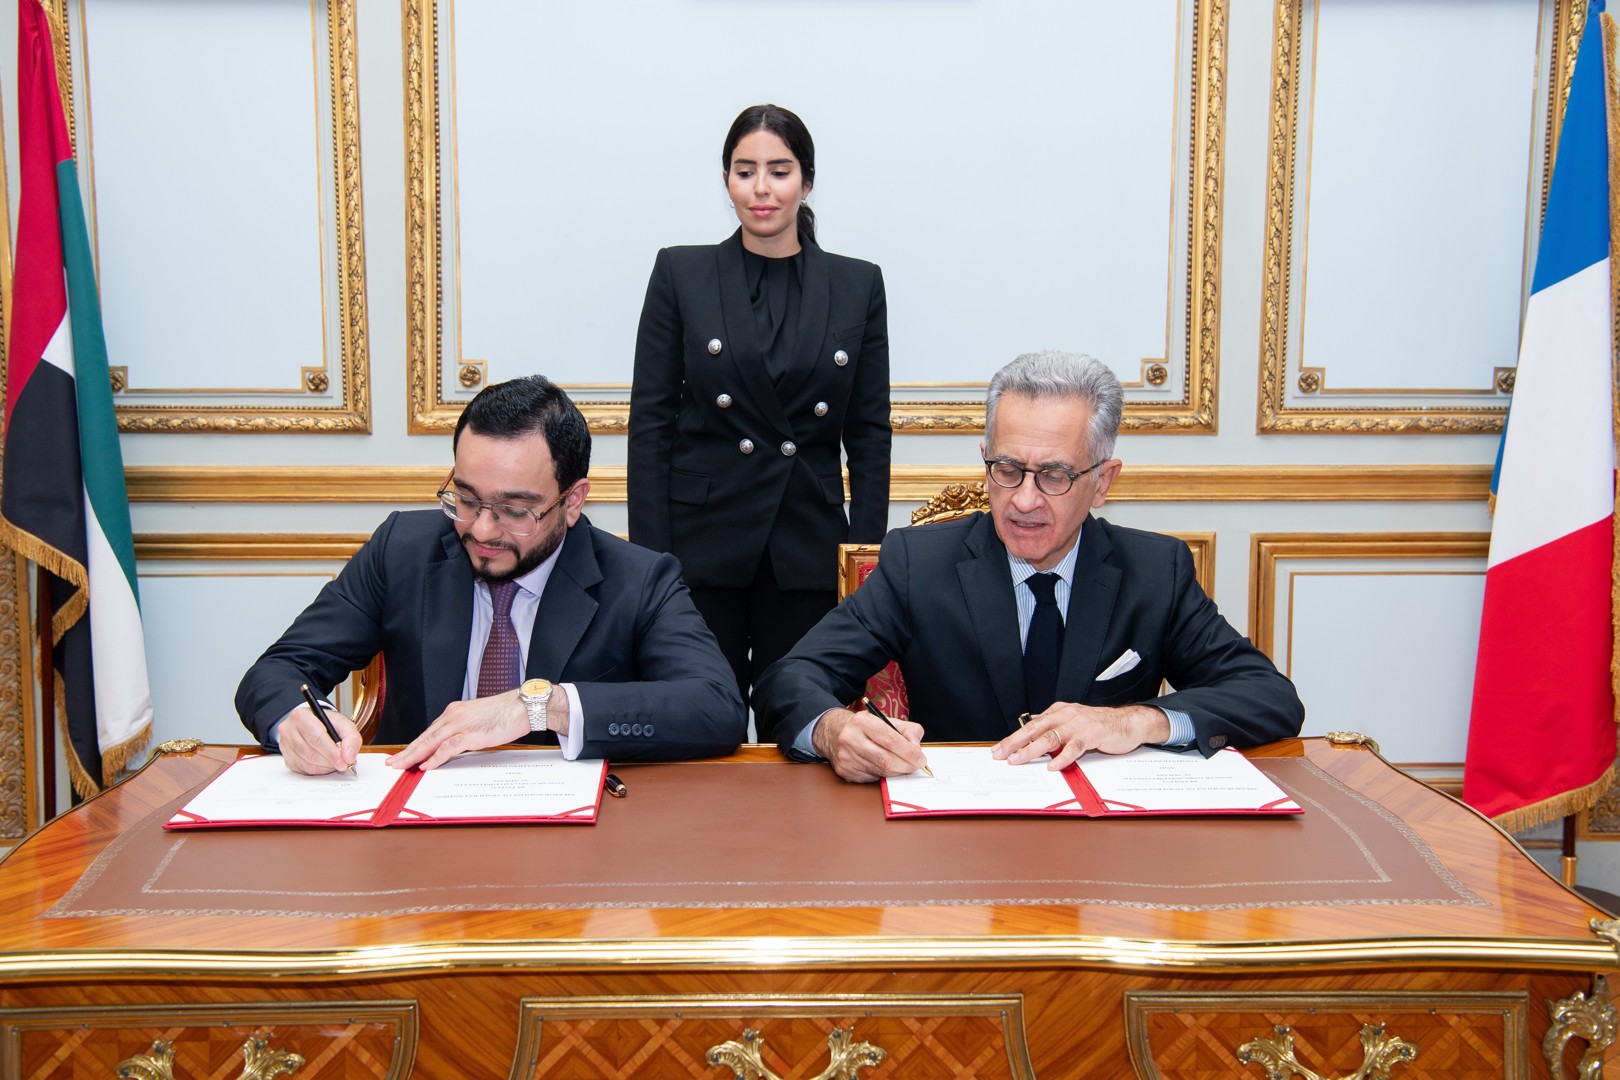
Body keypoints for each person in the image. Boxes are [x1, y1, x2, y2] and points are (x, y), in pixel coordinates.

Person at [755, 351, 1305, 783]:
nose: (1023, 500)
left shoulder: (1155, 571)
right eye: (1008, 469)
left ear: (1103, 482)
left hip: (1102, 851)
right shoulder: (918, 563)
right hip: (957, 840)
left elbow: (1268, 695)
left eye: (1055, 476)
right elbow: (789, 678)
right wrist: (833, 730)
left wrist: (1135, 720)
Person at [237, 375, 746, 774]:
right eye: (465, 498)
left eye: (514, 510)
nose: (481, 529)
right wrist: (296, 722)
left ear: (572, 501)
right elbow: (278, 670)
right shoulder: (402, 550)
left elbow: (717, 707)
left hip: (571, 847)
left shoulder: (638, 580)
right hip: (417, 834)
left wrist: (540, 706)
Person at [628, 103, 890, 733]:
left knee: (802, 725)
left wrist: (862, 556)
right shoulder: (682, 273)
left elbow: (869, 433)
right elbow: (651, 425)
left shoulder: (857, 284)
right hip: (700, 546)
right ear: (726, 181)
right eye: (745, 172)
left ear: (807, 181)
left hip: (807, 547)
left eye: (779, 170)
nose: (761, 188)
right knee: (696, 723)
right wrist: (651, 564)